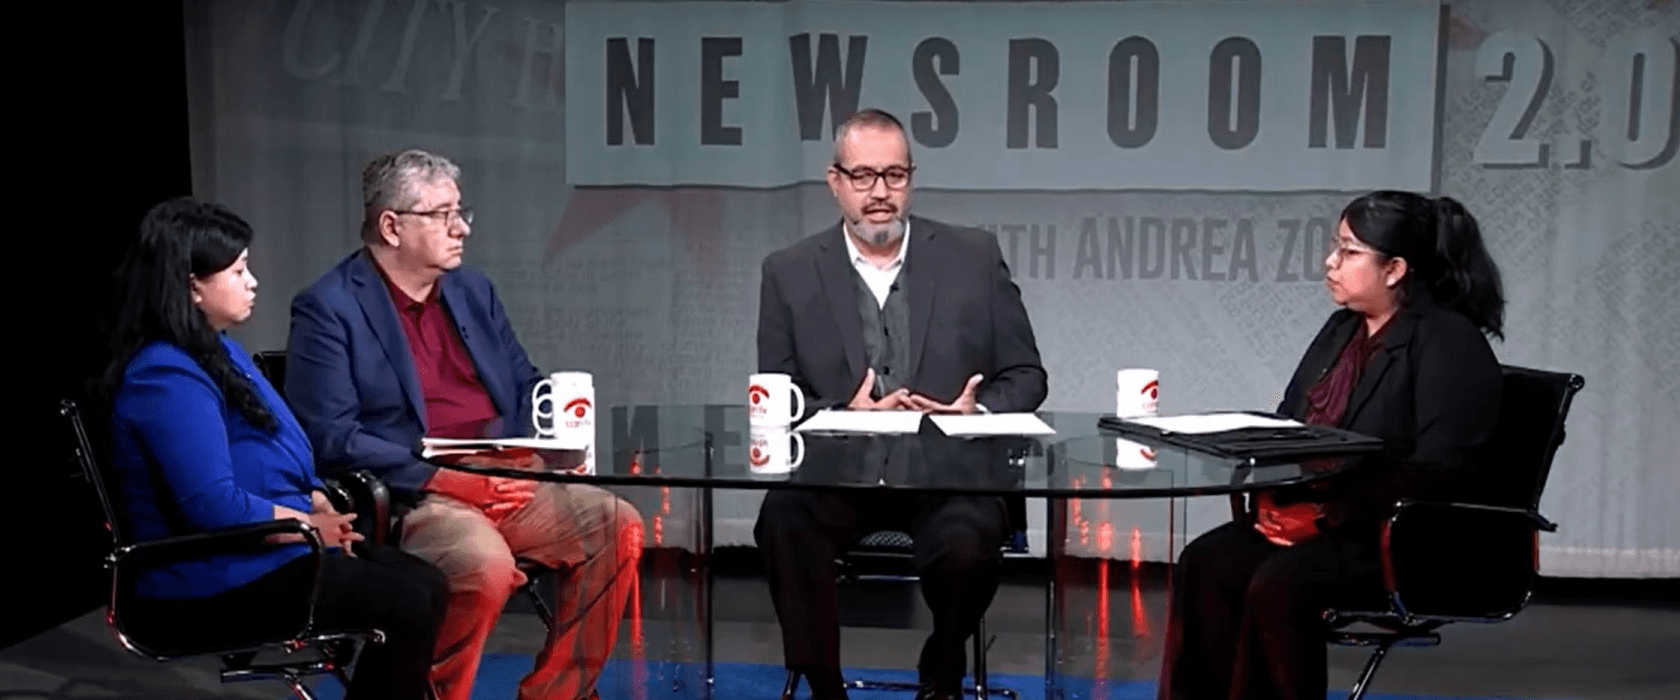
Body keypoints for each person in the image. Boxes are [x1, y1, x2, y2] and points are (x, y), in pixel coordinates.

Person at [285, 149, 643, 700]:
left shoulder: (474, 291)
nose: (462, 228)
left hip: (505, 477)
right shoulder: (329, 307)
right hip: (421, 490)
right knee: (483, 564)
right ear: (392, 226)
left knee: (618, 525)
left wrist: (535, 453)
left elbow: (524, 385)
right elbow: (331, 436)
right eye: (442, 215)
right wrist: (450, 480)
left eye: (461, 211)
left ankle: (557, 694)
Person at [1158, 190, 1507, 700]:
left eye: (1349, 251)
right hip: (1325, 516)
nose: (1330, 262)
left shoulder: (1448, 341)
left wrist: (1324, 517)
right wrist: (1276, 497)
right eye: (1335, 247)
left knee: (1279, 584)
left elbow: (1441, 472)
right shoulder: (1343, 328)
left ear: (1395, 270)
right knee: (1206, 562)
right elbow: (1292, 424)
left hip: (1397, 535)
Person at [754, 108, 1049, 700]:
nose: (880, 192)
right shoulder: (788, 271)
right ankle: (824, 687)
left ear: (911, 179)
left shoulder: (973, 257)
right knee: (782, 522)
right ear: (835, 181)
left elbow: (1028, 376)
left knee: (966, 542)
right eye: (863, 176)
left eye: (894, 175)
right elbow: (777, 393)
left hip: (949, 477)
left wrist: (975, 412)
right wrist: (843, 412)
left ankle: (943, 667)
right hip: (838, 475)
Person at [100, 197, 447, 700]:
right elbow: (211, 504)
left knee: (426, 584)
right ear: (193, 286)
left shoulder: (219, 349)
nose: (253, 282)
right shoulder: (164, 374)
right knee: (404, 603)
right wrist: (307, 527)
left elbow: (276, 445)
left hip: (263, 545)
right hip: (201, 576)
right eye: (238, 271)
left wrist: (315, 498)